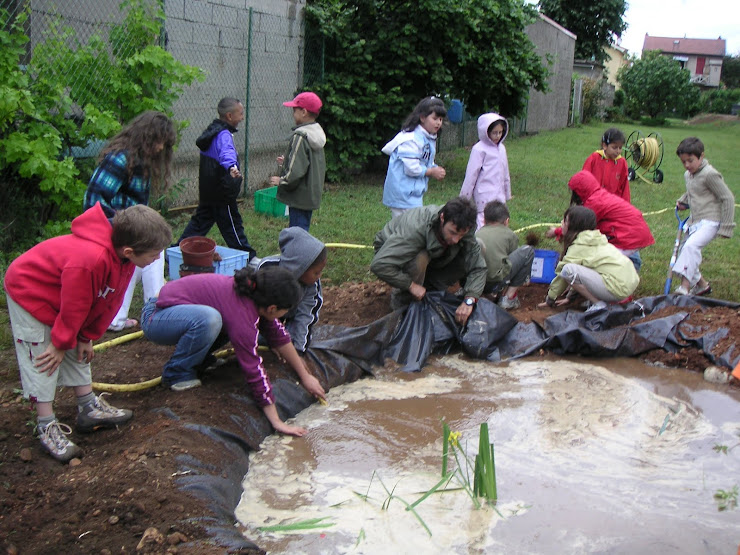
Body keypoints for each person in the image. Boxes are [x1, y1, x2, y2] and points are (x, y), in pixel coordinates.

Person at [4, 203, 173, 462]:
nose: (156, 258)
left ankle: (88, 407)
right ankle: (46, 424)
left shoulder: (124, 260)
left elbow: (107, 301)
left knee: (77, 347)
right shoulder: (90, 260)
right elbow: (76, 305)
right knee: (45, 354)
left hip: (64, 295)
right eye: (154, 254)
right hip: (30, 290)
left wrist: (85, 336)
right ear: (129, 250)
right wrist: (60, 342)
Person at [140, 266, 326, 437]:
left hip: (179, 311)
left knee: (217, 319)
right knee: (210, 320)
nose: (282, 316)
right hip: (157, 316)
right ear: (272, 308)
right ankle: (177, 372)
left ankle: (199, 360)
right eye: (283, 312)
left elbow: (279, 335)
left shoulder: (253, 293)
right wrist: (277, 422)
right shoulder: (242, 315)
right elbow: (253, 368)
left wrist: (305, 375)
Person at [84, 110, 176, 331]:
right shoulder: (120, 159)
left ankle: (123, 317)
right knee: (152, 249)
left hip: (129, 228)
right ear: (146, 136)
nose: (161, 148)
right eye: (159, 141)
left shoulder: (139, 160)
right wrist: (120, 229)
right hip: (114, 228)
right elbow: (93, 200)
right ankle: (155, 311)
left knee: (147, 254)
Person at [370, 196, 487, 326]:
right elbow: (380, 264)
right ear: (442, 218)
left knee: (480, 245)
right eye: (452, 232)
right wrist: (411, 285)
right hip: (396, 254)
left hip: (435, 254)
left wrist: (469, 300)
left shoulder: (463, 227)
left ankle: (433, 288)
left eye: (461, 235)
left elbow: (478, 266)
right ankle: (403, 300)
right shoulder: (416, 228)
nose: (456, 240)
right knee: (421, 258)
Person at [178, 97, 256, 257]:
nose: (242, 117)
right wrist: (232, 167)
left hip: (209, 191)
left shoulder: (212, 131)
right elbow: (226, 152)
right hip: (222, 192)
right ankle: (248, 257)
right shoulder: (224, 135)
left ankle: (176, 251)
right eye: (240, 113)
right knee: (232, 225)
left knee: (199, 225)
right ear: (229, 116)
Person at [545, 171, 654, 272]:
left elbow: (577, 228)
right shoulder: (600, 195)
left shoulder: (593, 203)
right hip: (635, 234)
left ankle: (615, 280)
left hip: (626, 237)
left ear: (578, 191)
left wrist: (556, 232)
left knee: (594, 260)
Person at [538, 206, 639, 312]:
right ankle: (602, 299)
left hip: (617, 288)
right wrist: (570, 297)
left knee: (567, 270)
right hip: (628, 282)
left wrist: (551, 298)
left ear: (574, 226)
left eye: (565, 221)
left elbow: (564, 275)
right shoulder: (594, 239)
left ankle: (599, 305)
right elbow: (581, 274)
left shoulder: (579, 246)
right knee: (577, 269)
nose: (561, 223)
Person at [672, 137, 735, 296]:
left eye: (690, 161)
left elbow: (727, 197)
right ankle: (702, 285)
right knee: (685, 252)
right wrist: (683, 201)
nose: (687, 165)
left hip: (710, 221)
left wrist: (726, 227)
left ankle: (684, 288)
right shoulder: (689, 174)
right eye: (683, 162)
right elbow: (693, 191)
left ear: (701, 156)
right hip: (695, 221)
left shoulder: (710, 174)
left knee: (691, 247)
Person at [250, 227, 327, 353]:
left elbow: (305, 317)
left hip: (289, 317)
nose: (319, 277)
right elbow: (253, 307)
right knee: (259, 339)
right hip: (264, 318)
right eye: (316, 272)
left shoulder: (312, 286)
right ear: (299, 268)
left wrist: (298, 351)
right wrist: (272, 338)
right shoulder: (266, 269)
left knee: (291, 340)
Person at [381, 96, 447, 219]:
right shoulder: (410, 139)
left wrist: (435, 168)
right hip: (402, 193)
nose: (438, 122)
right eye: (434, 118)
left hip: (412, 193)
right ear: (422, 117)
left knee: (410, 226)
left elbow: (425, 160)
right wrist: (431, 171)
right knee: (407, 228)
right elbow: (411, 168)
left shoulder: (428, 138)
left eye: (441, 119)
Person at [269, 92, 326, 231]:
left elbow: (296, 171)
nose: (293, 114)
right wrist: (287, 161)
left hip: (299, 196)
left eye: (294, 111)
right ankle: (301, 251)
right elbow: (308, 162)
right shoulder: (316, 133)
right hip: (309, 195)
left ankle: (298, 253)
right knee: (302, 229)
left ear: (304, 112)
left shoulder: (300, 136)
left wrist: (281, 181)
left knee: (296, 233)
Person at [475, 201, 534, 310]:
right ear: (506, 221)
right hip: (495, 282)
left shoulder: (477, 234)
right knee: (528, 251)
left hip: (476, 284)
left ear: (484, 220)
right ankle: (508, 298)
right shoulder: (510, 235)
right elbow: (509, 263)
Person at [459, 113, 511, 230]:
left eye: (500, 132)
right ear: (486, 132)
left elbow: (505, 172)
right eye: (494, 132)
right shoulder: (479, 149)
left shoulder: (502, 149)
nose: (498, 136)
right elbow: (471, 175)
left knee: (500, 219)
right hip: (484, 195)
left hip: (499, 195)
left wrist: (507, 192)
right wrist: (464, 198)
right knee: (483, 222)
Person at [582, 127, 630, 202]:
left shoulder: (622, 162)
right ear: (604, 146)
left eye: (620, 148)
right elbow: (584, 179)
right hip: (593, 201)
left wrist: (625, 205)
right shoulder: (594, 158)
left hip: (613, 203)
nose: (618, 151)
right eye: (614, 148)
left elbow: (625, 187)